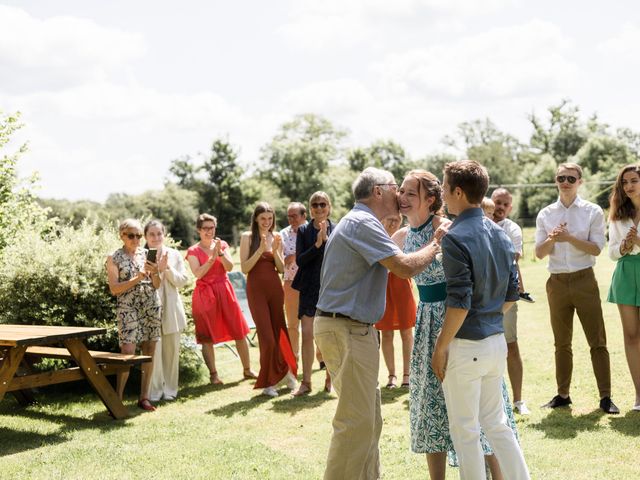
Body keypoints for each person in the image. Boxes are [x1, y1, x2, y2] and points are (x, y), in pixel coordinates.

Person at [314, 167, 444, 480]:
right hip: (347, 329)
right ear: (378, 191)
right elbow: (402, 267)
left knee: (368, 421)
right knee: (355, 423)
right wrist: (436, 242)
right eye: (397, 188)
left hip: (350, 328)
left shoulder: (362, 222)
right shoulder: (362, 222)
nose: (400, 195)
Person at [398, 170, 516, 479]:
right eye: (401, 191)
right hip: (439, 324)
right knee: (452, 413)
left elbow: (462, 297)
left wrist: (446, 340)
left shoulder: (451, 232)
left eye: (411, 192)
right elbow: (510, 291)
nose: (403, 197)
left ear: (438, 196)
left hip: (454, 325)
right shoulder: (402, 235)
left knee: (472, 423)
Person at [432, 160, 530, 479]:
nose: (443, 195)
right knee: (496, 424)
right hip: (495, 342)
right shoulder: (501, 234)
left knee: (465, 431)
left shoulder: (455, 236)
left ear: (459, 192)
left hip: (467, 345)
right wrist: (487, 317)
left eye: (445, 189)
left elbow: (459, 303)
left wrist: (440, 347)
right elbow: (512, 295)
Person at [535, 162, 618, 414]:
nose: (566, 182)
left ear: (580, 181)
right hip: (557, 282)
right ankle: (563, 394)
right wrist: (552, 238)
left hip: (584, 280)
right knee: (562, 343)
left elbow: (596, 248)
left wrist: (568, 238)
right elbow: (539, 253)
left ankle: (605, 397)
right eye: (561, 177)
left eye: (571, 178)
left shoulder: (592, 211)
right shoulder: (546, 214)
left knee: (598, 341)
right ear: (556, 180)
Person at [186, 214, 256, 385]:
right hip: (205, 294)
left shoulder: (222, 245)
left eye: (212, 228)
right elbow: (198, 273)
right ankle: (214, 375)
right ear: (199, 230)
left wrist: (220, 254)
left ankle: (247, 370)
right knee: (207, 335)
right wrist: (211, 258)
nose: (209, 231)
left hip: (225, 290)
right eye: (205, 228)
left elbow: (230, 267)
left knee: (239, 329)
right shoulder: (193, 251)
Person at [240, 202, 297, 397]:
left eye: (270, 218)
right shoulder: (247, 237)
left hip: (274, 288)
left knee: (280, 332)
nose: (266, 222)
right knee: (266, 337)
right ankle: (268, 382)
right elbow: (245, 268)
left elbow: (281, 269)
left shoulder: (277, 236)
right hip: (256, 290)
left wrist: (273, 251)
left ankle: (286, 373)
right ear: (256, 219)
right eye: (263, 218)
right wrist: (261, 249)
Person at [106, 218, 161, 412]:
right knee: (127, 353)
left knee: (149, 352)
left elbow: (157, 285)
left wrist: (155, 273)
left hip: (151, 306)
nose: (136, 239)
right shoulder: (113, 257)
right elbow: (114, 289)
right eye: (131, 235)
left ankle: (144, 397)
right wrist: (136, 278)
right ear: (121, 235)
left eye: (139, 235)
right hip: (128, 308)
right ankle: (117, 399)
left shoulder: (147, 254)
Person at [491, 187, 530, 415]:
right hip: (481, 295)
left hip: (505, 294)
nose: (501, 208)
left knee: (510, 344)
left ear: (510, 207)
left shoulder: (512, 228)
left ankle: (518, 400)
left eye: (506, 204)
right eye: (498, 202)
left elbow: (512, 258)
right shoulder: (482, 222)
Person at [292, 191, 334, 396]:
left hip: (330, 289)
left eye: (323, 204)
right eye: (315, 205)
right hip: (309, 288)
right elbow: (299, 261)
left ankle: (330, 378)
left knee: (329, 336)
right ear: (310, 209)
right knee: (307, 335)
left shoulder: (338, 229)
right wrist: (318, 243)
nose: (319, 208)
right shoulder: (303, 231)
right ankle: (306, 381)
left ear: (329, 206)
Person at [607, 164, 640, 412]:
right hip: (626, 274)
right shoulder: (618, 214)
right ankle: (639, 396)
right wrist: (624, 247)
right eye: (625, 182)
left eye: (634, 181)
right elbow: (612, 252)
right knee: (631, 337)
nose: (629, 186)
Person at [145, 220, 190, 402]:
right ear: (146, 236)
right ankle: (154, 391)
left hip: (172, 309)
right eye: (151, 234)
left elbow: (182, 280)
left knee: (171, 351)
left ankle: (170, 390)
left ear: (164, 235)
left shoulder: (174, 254)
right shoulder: (141, 255)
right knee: (154, 352)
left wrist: (167, 269)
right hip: (151, 310)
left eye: (159, 234)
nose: (156, 238)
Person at [375, 213, 417, 389]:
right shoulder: (375, 233)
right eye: (390, 218)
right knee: (386, 332)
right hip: (382, 285)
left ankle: (407, 374)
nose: (393, 221)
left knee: (406, 331)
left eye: (396, 218)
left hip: (401, 283)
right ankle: (391, 375)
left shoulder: (406, 233)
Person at [280, 202, 307, 360]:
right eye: (289, 216)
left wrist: (297, 255)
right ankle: (294, 358)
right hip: (290, 282)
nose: (291, 219)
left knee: (315, 321)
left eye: (294, 216)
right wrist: (291, 258)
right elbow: (280, 261)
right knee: (292, 324)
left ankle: (321, 357)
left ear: (304, 216)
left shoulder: (313, 231)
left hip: (311, 282)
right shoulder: (282, 234)